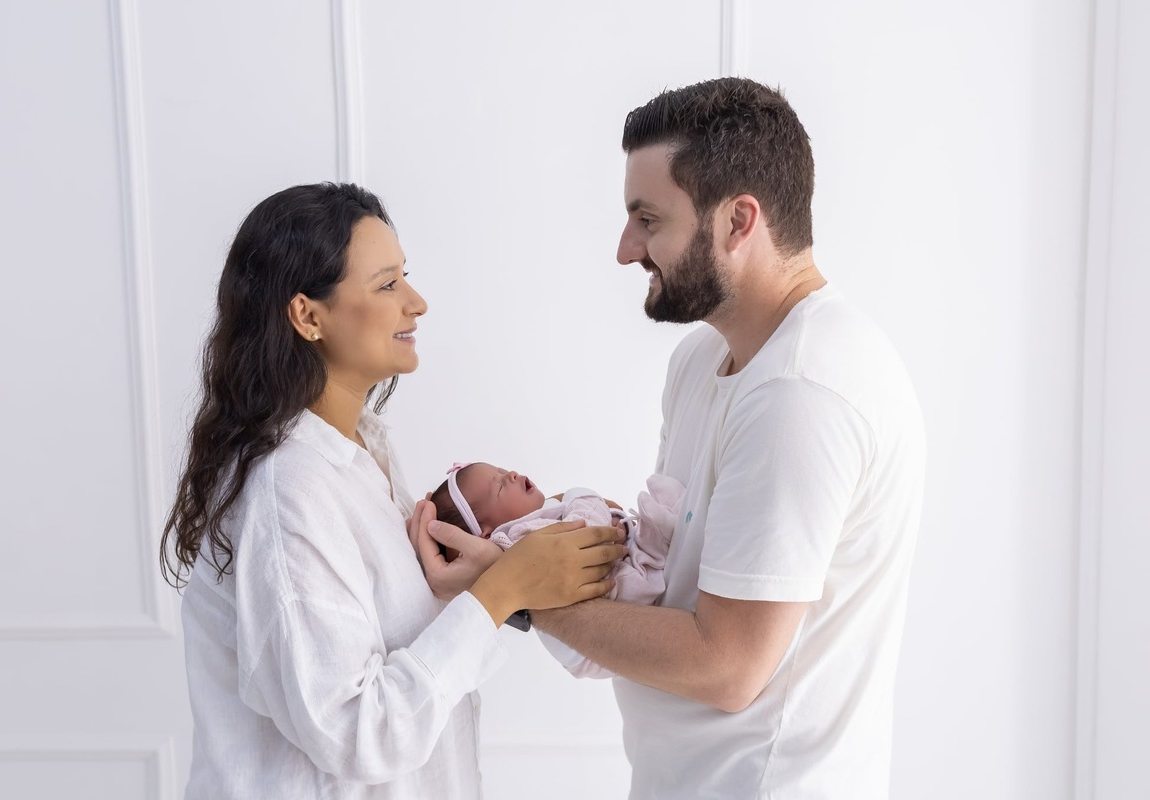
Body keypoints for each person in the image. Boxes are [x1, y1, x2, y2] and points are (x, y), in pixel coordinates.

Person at [411, 78, 926, 799]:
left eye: (648, 220)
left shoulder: (801, 394)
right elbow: (670, 587)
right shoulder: (700, 360)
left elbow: (727, 666)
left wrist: (512, 592)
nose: (626, 249)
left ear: (738, 221)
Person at [158, 182, 626, 800]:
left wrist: (487, 584)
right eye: (387, 285)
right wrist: (500, 592)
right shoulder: (289, 487)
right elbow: (357, 734)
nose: (417, 302)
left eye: (406, 276)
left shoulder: (361, 451)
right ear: (308, 316)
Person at [430, 462, 683, 678]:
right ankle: (657, 539)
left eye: (503, 471)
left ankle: (654, 542)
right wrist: (582, 499)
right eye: (499, 487)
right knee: (636, 572)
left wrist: (613, 519)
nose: (512, 475)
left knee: (631, 557)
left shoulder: (544, 513)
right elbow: (584, 533)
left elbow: (601, 523)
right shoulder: (515, 539)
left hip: (594, 628)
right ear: (486, 535)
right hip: (586, 643)